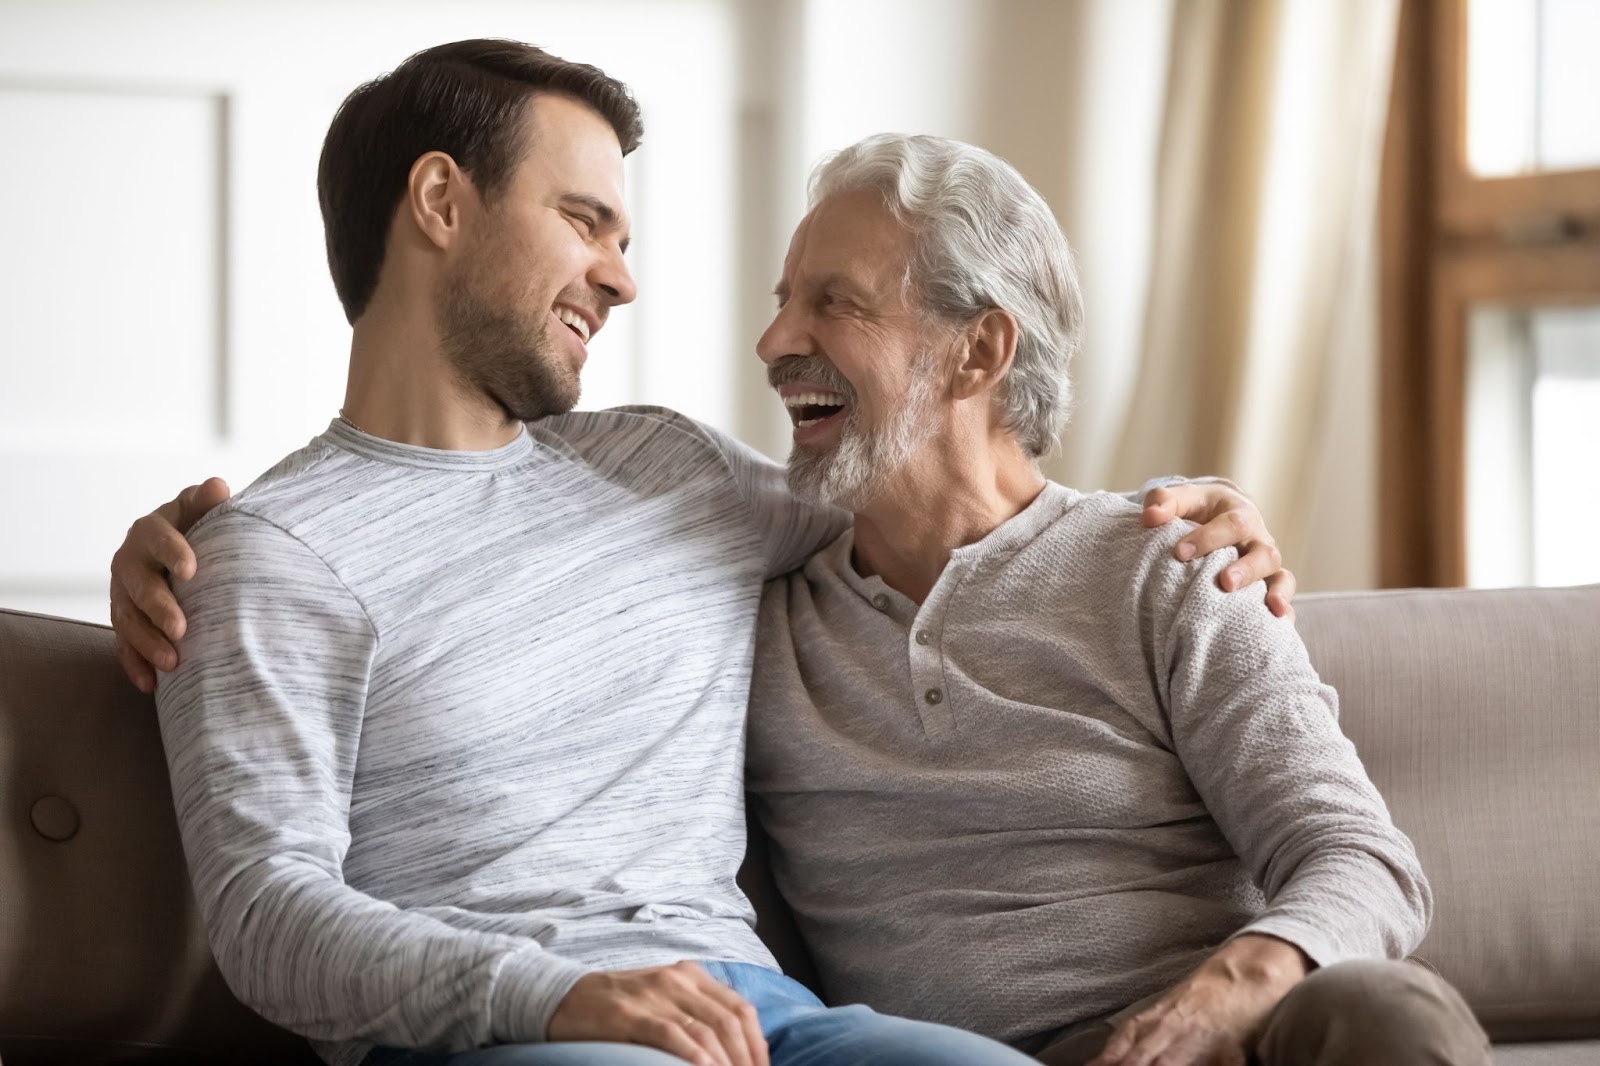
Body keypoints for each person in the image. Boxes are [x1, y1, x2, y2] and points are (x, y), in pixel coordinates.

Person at [106, 40, 1294, 1066]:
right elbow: (268, 917)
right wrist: (558, 989)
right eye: (584, 222)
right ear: (439, 201)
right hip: (496, 1032)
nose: (622, 278)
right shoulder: (269, 559)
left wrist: (1182, 515)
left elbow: (935, 486)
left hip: (756, 1018)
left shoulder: (670, 473)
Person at [745, 132, 1492, 1066]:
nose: (775, 342)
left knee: (1389, 1018)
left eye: (834, 303)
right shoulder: (752, 615)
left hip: (1235, 1034)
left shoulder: (1169, 564)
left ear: (978, 352)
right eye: (784, 302)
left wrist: (1237, 984)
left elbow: (1363, 860)